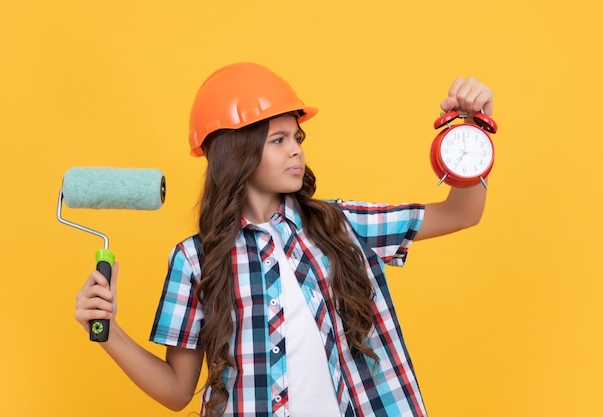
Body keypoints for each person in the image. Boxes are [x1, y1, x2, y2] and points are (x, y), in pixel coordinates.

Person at [75, 62, 494, 417]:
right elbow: (177, 391)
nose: (296, 150)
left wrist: (471, 132)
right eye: (278, 140)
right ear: (236, 151)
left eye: (297, 138)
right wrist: (108, 331)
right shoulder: (195, 260)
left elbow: (462, 212)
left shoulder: (341, 226)